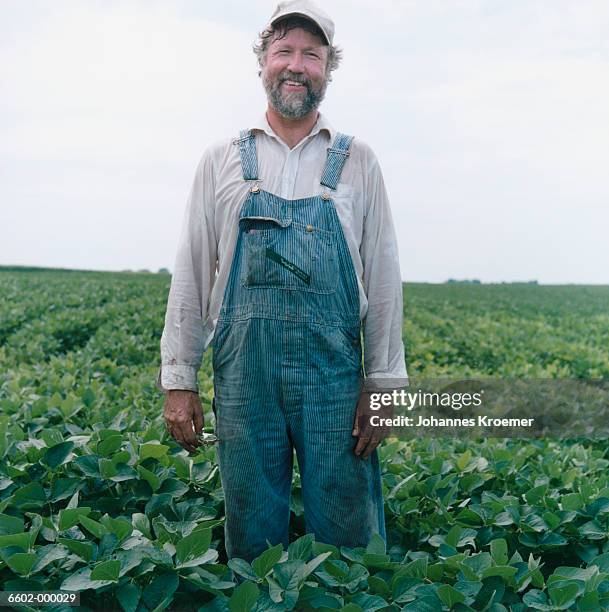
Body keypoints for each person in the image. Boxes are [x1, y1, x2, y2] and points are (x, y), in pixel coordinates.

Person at [158, 0, 408, 562]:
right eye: (284, 52)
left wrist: (385, 385)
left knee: (348, 532)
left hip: (335, 382)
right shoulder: (220, 159)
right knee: (251, 531)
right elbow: (193, 269)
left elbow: (385, 276)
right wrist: (180, 378)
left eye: (312, 55)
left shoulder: (358, 161)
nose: (296, 65)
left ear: (328, 68)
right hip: (245, 379)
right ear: (263, 63)